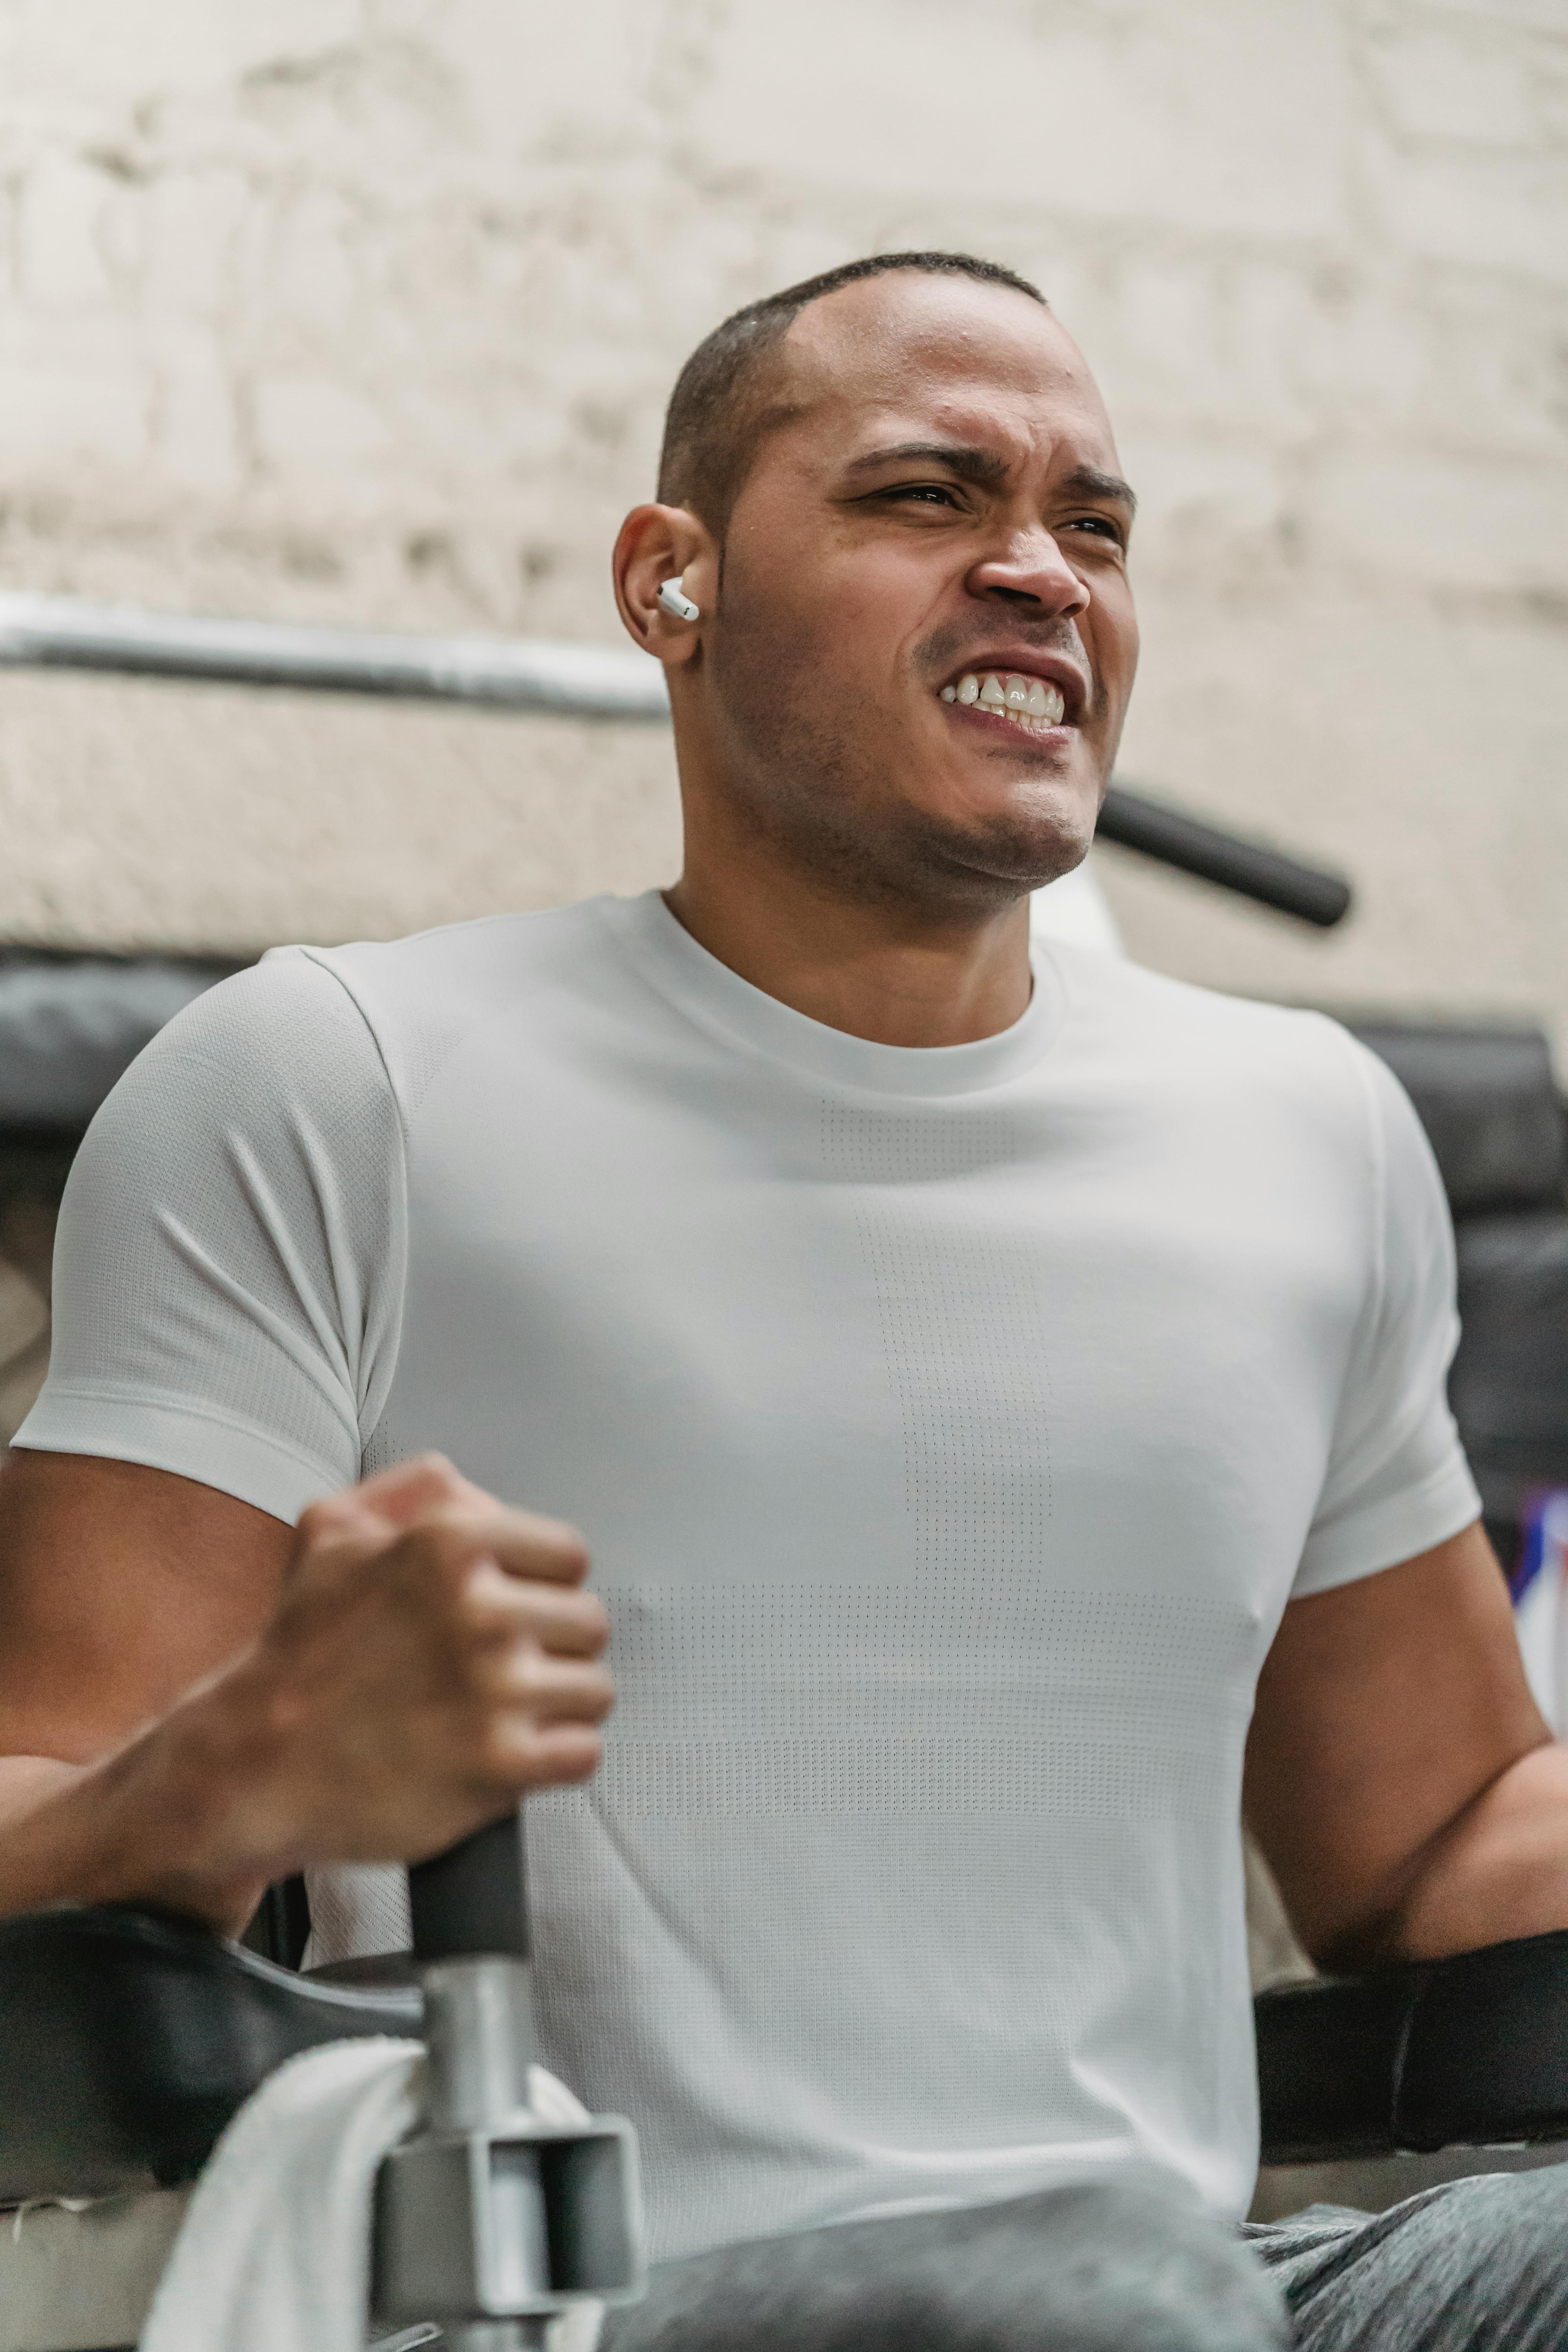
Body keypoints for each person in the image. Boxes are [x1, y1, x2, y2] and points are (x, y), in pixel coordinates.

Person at [0, 251, 1563, 2352]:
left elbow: (1436, 1836)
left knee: (1158, 2288)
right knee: (1104, 2298)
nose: (1040, 570)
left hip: (1195, 2289)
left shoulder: (1306, 1130)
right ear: (674, 582)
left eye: (1092, 526)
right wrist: (244, 1769)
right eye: (930, 497)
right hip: (600, 2311)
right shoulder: (332, 1083)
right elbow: (37, 1793)